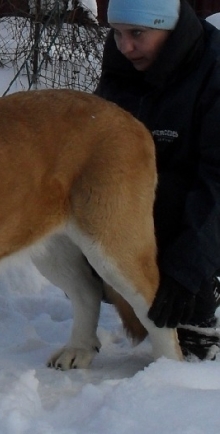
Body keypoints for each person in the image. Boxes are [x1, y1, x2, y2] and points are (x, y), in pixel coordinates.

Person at [95, 0, 220, 360]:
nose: (125, 46)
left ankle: (200, 306)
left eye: (137, 33)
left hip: (204, 208)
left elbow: (218, 182)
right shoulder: (122, 64)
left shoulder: (213, 68)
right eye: (117, 33)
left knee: (163, 198)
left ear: (169, 26)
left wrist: (186, 273)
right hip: (154, 204)